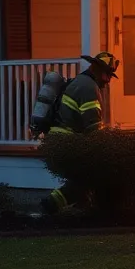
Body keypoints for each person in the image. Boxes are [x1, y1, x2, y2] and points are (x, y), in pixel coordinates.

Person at [39, 51, 119, 214]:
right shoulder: (88, 87)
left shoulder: (80, 81)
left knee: (87, 176)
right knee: (92, 174)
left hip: (58, 141)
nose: (108, 80)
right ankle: (51, 204)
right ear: (96, 68)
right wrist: (111, 148)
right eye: (107, 74)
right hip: (65, 143)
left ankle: (83, 209)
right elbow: (93, 127)